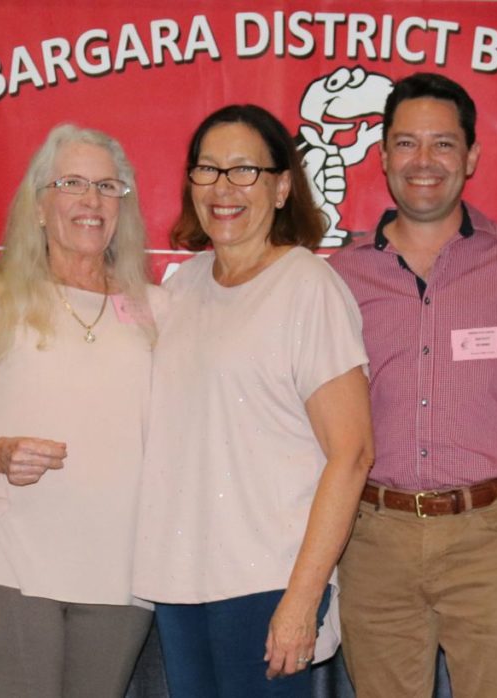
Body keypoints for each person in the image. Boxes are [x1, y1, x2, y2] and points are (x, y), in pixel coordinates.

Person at [130, 104, 374, 697]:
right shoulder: (179, 288)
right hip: (181, 580)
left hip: (268, 581)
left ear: (283, 185)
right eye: (208, 170)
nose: (223, 188)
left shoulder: (307, 287)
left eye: (244, 171)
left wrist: (303, 595)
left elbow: (353, 453)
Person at [328, 73, 497, 697]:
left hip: (494, 537)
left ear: (472, 156)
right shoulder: (339, 277)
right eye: (406, 143)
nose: (423, 162)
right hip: (373, 537)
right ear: (382, 155)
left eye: (443, 144)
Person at [0, 124, 163, 697]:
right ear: (39, 205)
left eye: (108, 187)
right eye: (73, 183)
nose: (91, 200)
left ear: (123, 207)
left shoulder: (160, 311)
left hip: (119, 576)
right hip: (5, 565)